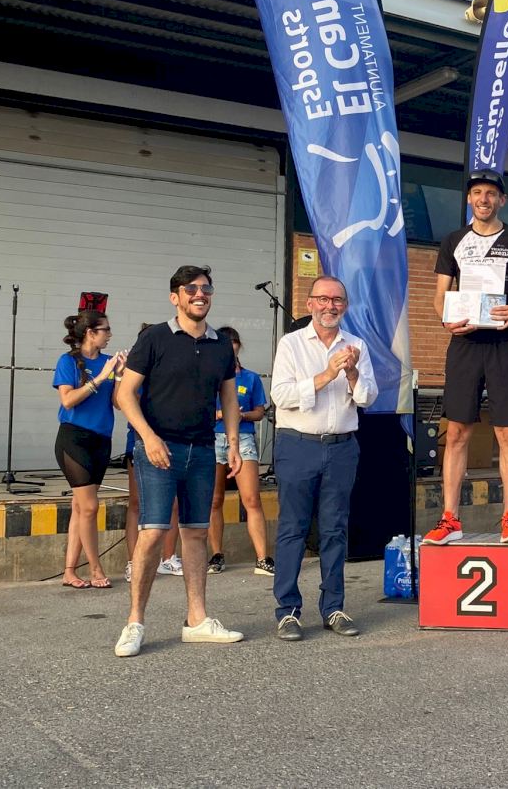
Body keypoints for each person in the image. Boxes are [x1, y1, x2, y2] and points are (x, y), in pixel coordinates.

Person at [113, 265, 244, 657]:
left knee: (196, 533)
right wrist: (149, 437)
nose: (200, 294)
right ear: (175, 297)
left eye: (206, 288)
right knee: (153, 532)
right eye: (191, 289)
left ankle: (197, 620)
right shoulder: (154, 338)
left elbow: (229, 397)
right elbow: (124, 394)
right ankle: (134, 623)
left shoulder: (221, 345)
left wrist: (232, 443)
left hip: (202, 450)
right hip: (159, 449)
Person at [424, 171, 508, 545]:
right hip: (464, 343)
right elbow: (439, 295)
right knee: (457, 431)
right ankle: (450, 519)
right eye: (477, 192)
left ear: (502, 200)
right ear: (469, 199)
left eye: (491, 193)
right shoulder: (453, 241)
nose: (483, 199)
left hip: (503, 343)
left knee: (507, 431)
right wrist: (446, 320)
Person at [269, 275, 377, 641]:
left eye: (337, 300)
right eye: (323, 299)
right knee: (293, 528)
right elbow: (281, 396)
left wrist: (351, 373)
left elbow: (367, 398)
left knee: (335, 529)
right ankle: (287, 611)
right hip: (297, 444)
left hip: (342, 446)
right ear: (310, 303)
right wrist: (327, 374)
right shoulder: (291, 344)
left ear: (345, 306)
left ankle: (334, 607)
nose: (330, 306)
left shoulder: (357, 345)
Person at [53, 310, 126, 589]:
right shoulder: (68, 361)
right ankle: (96, 569)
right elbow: (68, 400)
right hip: (74, 438)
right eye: (105, 330)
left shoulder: (108, 363)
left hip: (101, 439)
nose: (109, 334)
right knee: (90, 506)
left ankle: (69, 571)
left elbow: (117, 403)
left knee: (80, 507)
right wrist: (101, 377)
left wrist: (118, 376)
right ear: (90, 333)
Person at [207, 325, 274, 576]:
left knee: (251, 498)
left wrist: (241, 415)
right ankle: (216, 554)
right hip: (214, 436)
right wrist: (220, 413)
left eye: (234, 350)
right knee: (214, 500)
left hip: (243, 437)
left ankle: (262, 557)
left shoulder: (250, 378)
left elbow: (260, 412)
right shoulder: (209, 375)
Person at [121, 323, 182, 583]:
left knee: (174, 504)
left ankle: (168, 557)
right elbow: (120, 401)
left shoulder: (170, 368)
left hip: (171, 441)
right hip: (140, 441)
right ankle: (133, 562)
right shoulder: (135, 369)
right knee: (137, 503)